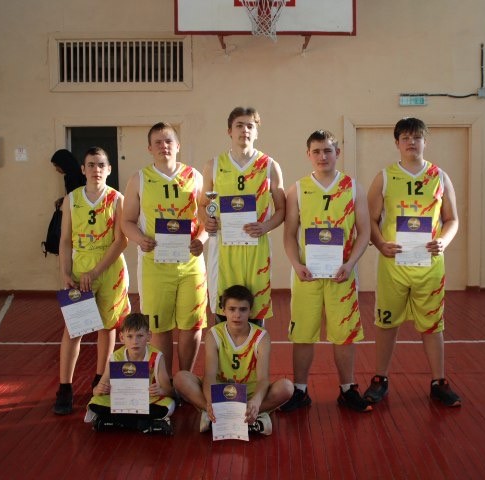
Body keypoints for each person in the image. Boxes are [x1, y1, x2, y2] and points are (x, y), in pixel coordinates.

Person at [362, 117, 462, 407]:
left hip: (429, 265)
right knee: (386, 322)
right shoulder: (384, 177)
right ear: (397, 143)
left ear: (425, 142)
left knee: (433, 324)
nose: (411, 142)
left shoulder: (439, 176)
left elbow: (452, 219)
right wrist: (381, 243)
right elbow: (369, 220)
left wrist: (444, 240)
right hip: (394, 265)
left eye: (416, 137)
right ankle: (380, 379)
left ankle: (439, 381)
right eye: (405, 138)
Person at [279, 130, 372, 414]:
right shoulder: (297, 190)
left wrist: (350, 264)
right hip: (307, 275)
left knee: (344, 334)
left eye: (328, 151)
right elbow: (289, 234)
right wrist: (296, 265)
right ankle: (300, 390)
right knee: (303, 335)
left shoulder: (353, 188)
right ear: (308, 155)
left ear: (337, 153)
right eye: (317, 151)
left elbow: (364, 232)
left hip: (342, 274)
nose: (322, 156)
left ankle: (347, 389)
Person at [121, 122, 207, 380]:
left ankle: (185, 379)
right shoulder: (139, 179)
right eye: (157, 142)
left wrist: (201, 239)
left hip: (190, 264)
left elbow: (207, 219)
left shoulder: (195, 177)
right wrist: (140, 239)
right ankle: (166, 382)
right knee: (159, 327)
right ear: (149, 148)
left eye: (168, 141)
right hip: (155, 265)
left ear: (178, 146)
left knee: (192, 325)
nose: (163, 146)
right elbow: (127, 221)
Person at [54, 147, 131, 415]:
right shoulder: (72, 199)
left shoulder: (117, 199)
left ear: (109, 169)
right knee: (74, 329)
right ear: (83, 169)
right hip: (80, 267)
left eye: (101, 165)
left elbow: (121, 240)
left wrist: (97, 271)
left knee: (108, 327)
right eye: (91, 165)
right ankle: (65, 387)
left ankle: (100, 380)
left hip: (109, 268)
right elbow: (65, 240)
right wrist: (65, 273)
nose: (96, 169)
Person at [200, 107, 285, 326]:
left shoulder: (269, 166)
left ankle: (255, 349)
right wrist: (206, 220)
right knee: (223, 314)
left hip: (257, 249)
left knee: (254, 313)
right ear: (229, 131)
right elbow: (203, 205)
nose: (244, 130)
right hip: (223, 249)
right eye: (239, 125)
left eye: (250, 126)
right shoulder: (213, 165)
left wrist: (265, 226)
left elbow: (282, 210)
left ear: (256, 132)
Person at [173, 285, 293, 436]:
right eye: (232, 309)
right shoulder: (214, 335)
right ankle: (215, 411)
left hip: (249, 395)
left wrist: (256, 402)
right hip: (220, 395)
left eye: (243, 309)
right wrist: (211, 402)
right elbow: (209, 375)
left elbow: (263, 379)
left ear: (250, 311)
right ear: (223, 310)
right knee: (180, 378)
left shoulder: (261, 337)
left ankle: (246, 412)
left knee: (287, 387)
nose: (237, 315)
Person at [85, 313, 175, 435]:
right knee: (95, 403)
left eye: (140, 336)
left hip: (148, 401)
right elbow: (96, 391)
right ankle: (143, 423)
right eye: (130, 336)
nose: (135, 341)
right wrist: (100, 389)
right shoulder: (116, 357)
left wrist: (161, 391)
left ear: (149, 336)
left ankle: (116, 421)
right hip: (122, 401)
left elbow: (170, 391)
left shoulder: (156, 357)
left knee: (166, 405)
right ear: (122, 337)